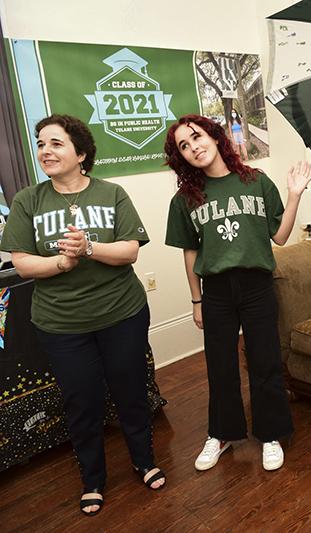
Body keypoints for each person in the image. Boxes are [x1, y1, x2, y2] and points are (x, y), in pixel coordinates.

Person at [0, 114, 163, 516]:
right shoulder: (28, 200)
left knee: (130, 392)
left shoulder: (111, 193)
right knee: (82, 402)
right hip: (61, 325)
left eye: (55, 143)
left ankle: (144, 460)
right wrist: (61, 263)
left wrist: (88, 248)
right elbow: (21, 264)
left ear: (81, 152)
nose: (45, 151)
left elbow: (129, 251)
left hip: (121, 314)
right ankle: (93, 478)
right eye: (40, 144)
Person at [164, 114, 311, 473]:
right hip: (215, 290)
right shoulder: (185, 199)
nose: (193, 147)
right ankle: (222, 433)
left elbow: (280, 236)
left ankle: (271, 433)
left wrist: (294, 195)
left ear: (216, 137)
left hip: (256, 285)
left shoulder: (256, 182)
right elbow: (190, 252)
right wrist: (196, 299)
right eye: (184, 146)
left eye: (197, 137)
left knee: (264, 361)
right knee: (220, 366)